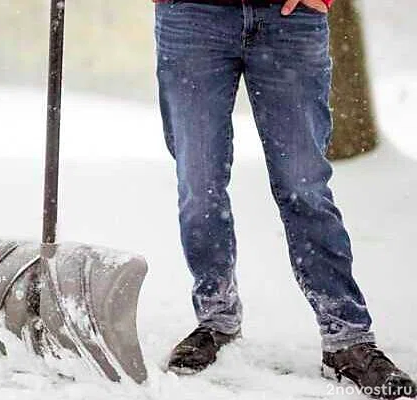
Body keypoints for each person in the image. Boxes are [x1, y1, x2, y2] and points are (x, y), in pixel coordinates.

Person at [154, 0, 417, 397]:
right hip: (193, 16)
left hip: (290, 18)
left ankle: (346, 337)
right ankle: (216, 318)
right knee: (199, 182)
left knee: (303, 186)